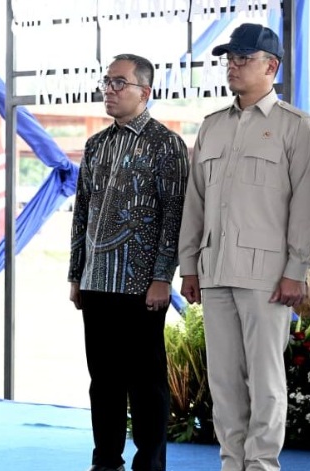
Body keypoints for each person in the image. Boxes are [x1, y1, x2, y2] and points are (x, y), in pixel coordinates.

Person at [178, 24, 310, 471]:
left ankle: (261, 465)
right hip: (215, 271)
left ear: (271, 66)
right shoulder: (213, 126)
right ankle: (231, 463)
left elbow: (306, 205)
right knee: (225, 381)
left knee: (266, 379)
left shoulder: (297, 128)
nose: (232, 66)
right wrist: (189, 265)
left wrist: (297, 269)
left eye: (243, 58)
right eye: (228, 59)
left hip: (269, 277)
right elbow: (194, 201)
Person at [68, 53, 189, 471]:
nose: (110, 90)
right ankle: (105, 460)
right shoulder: (96, 144)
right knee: (103, 382)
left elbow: (175, 214)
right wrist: (75, 274)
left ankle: (150, 463)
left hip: (141, 286)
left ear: (145, 91)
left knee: (146, 384)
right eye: (107, 82)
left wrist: (162, 278)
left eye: (120, 83)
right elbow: (81, 212)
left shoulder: (165, 144)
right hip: (97, 280)